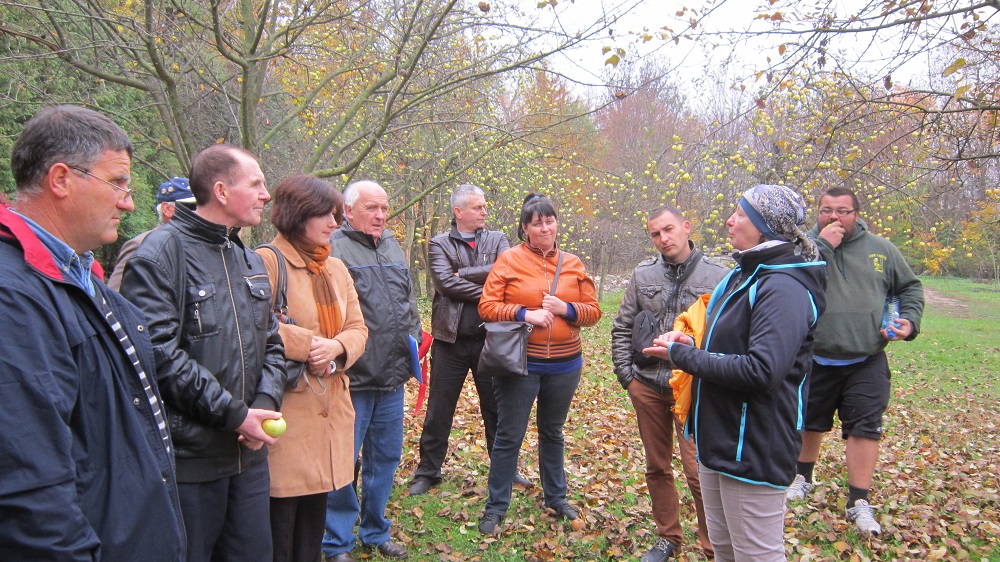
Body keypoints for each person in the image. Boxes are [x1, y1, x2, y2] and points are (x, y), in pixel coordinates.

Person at [0, 105, 185, 560]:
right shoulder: (14, 297)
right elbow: (29, 488)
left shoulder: (79, 278)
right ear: (60, 179)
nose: (129, 201)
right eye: (117, 183)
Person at [119, 143, 286, 562]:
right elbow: (159, 356)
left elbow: (274, 343)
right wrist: (235, 416)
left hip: (249, 459)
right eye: (257, 184)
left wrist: (262, 409)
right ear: (222, 191)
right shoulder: (160, 255)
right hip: (190, 463)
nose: (266, 194)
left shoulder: (247, 257)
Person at [643, 184, 826, 562]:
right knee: (725, 551)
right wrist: (690, 342)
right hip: (718, 439)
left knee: (756, 555)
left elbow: (763, 370)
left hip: (754, 445)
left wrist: (684, 357)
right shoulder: (742, 274)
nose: (730, 220)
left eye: (741, 214)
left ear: (766, 227)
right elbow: (724, 346)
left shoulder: (783, 287)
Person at [785, 187, 924, 536]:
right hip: (814, 355)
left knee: (864, 427)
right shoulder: (802, 248)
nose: (834, 217)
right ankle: (802, 477)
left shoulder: (881, 249)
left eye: (843, 211)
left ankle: (859, 501)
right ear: (816, 213)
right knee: (810, 422)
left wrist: (909, 320)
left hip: (866, 357)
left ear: (857, 214)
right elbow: (795, 280)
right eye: (826, 210)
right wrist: (826, 245)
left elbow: (910, 287)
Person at [256, 175, 369, 562]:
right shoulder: (265, 262)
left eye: (336, 214)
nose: (335, 223)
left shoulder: (335, 267)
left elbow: (358, 328)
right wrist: (309, 346)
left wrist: (337, 347)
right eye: (325, 214)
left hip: (331, 410)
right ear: (296, 214)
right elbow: (256, 327)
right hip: (288, 412)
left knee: (313, 522)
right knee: (280, 525)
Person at [476, 192, 602, 535]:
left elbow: (594, 312)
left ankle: (556, 497)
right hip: (521, 364)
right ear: (525, 229)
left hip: (565, 364)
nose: (545, 227)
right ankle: (496, 506)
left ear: (556, 223)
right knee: (509, 435)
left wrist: (568, 309)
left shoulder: (573, 263)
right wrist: (524, 313)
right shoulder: (509, 261)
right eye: (537, 223)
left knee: (552, 432)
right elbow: (487, 307)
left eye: (549, 220)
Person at [610, 205, 727, 561]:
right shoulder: (643, 275)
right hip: (646, 386)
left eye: (668, 229)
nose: (663, 239)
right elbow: (622, 326)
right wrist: (627, 377)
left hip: (692, 389)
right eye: (655, 234)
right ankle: (668, 537)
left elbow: (727, 334)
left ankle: (714, 547)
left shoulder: (719, 274)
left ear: (686, 227)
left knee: (699, 472)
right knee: (657, 466)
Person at [321, 180, 420, 562]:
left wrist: (415, 337)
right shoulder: (333, 249)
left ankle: (375, 530)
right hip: (353, 378)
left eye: (384, 208)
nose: (380, 215)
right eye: (371, 208)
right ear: (348, 211)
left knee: (385, 459)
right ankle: (336, 541)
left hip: (393, 377)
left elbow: (408, 301)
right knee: (343, 461)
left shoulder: (393, 245)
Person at [409, 184, 530, 496]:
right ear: (458, 212)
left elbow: (509, 273)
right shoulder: (438, 244)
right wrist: (489, 286)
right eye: (478, 207)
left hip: (492, 339)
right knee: (439, 410)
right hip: (450, 341)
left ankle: (504, 469)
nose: (484, 212)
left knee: (496, 408)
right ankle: (428, 471)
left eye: (484, 206)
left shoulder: (498, 239)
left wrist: (464, 275)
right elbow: (446, 285)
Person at [107, 176, 196, 290]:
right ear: (167, 209)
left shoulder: (194, 245)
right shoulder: (140, 244)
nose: (198, 212)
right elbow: (114, 295)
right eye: (192, 207)